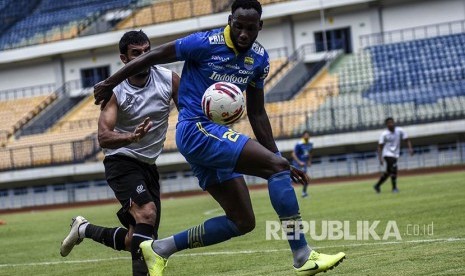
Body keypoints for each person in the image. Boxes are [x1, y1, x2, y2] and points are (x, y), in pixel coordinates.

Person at [94, 1, 345, 275]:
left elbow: (258, 114)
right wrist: (109, 82)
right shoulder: (203, 43)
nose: (244, 34)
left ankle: (160, 249)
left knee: (242, 221)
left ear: (260, 26)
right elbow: (151, 57)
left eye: (251, 29)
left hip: (213, 137)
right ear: (230, 21)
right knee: (276, 169)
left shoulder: (259, 59)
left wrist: (277, 156)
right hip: (195, 130)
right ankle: (302, 255)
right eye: (238, 27)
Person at [60, 30, 180, 276]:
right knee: (147, 212)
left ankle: (83, 229)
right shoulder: (116, 91)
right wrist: (131, 137)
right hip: (121, 160)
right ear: (123, 59)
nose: (144, 57)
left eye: (147, 51)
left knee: (136, 239)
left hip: (149, 165)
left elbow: (189, 113)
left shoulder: (169, 79)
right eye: (136, 53)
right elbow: (104, 136)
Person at [374, 117, 413, 193]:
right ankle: (394, 188)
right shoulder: (384, 134)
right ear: (386, 125)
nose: (391, 124)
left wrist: (410, 149)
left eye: (392, 122)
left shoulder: (400, 131)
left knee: (388, 172)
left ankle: (377, 185)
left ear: (394, 122)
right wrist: (380, 158)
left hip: (395, 154)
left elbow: (407, 140)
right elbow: (380, 147)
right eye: (389, 123)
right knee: (394, 168)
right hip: (387, 154)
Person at [292, 130, 313, 198]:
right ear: (303, 136)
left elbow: (309, 153)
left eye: (308, 135)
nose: (307, 136)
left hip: (304, 164)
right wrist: (299, 162)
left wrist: (309, 161)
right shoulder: (299, 144)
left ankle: (304, 193)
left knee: (305, 179)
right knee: (304, 178)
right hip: (297, 164)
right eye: (305, 135)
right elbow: (293, 154)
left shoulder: (310, 144)